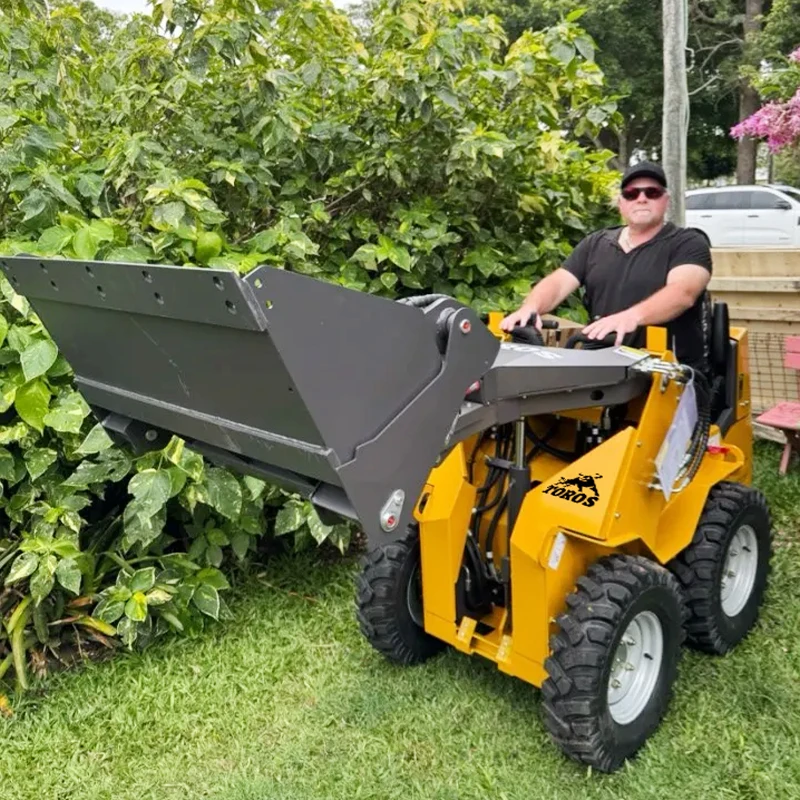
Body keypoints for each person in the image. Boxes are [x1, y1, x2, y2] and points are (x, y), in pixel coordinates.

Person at [499, 161, 713, 373]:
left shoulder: (688, 243)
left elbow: (683, 292)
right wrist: (531, 307)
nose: (641, 199)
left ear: (666, 201)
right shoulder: (595, 243)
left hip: (671, 374)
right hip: (606, 371)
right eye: (631, 193)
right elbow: (559, 282)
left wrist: (630, 317)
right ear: (621, 203)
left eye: (652, 192)